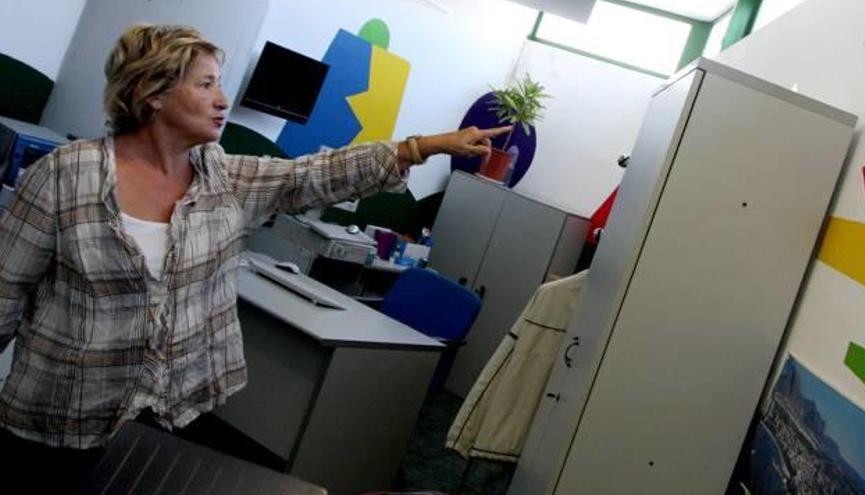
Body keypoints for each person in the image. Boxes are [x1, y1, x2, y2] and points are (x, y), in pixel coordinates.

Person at [0, 23, 510, 491]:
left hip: (167, 412)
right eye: (205, 85)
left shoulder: (223, 177)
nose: (223, 100)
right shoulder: (67, 175)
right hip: (61, 415)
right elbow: (5, 289)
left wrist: (421, 147)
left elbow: (311, 175)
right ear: (151, 93)